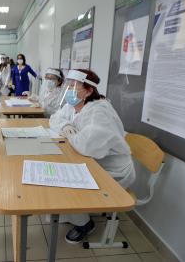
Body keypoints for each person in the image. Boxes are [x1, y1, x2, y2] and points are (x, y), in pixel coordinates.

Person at [49, 69, 135, 244]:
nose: (69, 90)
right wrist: (66, 126)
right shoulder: (75, 104)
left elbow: (86, 146)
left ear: (89, 90)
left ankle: (84, 224)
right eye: (68, 85)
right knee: (62, 171)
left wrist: (70, 134)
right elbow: (54, 118)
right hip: (93, 161)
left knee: (66, 181)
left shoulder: (99, 111)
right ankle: (72, 213)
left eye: (73, 86)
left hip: (112, 171)